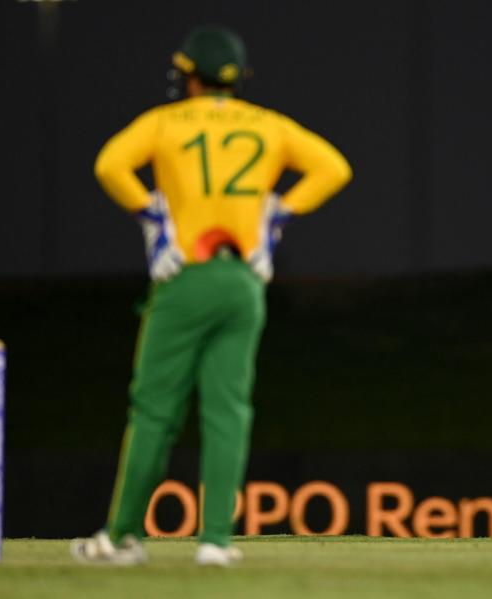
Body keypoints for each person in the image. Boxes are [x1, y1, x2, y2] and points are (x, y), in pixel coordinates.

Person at [72, 25, 352, 566]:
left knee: (154, 412)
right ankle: (215, 543)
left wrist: (150, 213)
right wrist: (279, 214)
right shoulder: (267, 125)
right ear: (237, 78)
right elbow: (334, 167)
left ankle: (120, 537)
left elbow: (109, 164)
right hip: (245, 280)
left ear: (188, 74)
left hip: (185, 277)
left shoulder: (165, 121)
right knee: (229, 413)